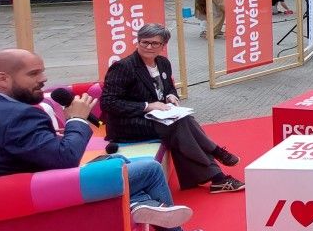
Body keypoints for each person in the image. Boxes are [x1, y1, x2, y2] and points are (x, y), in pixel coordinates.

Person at [0, 49, 205, 231]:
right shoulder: (21, 116)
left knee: (114, 164)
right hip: (36, 199)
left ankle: (137, 203)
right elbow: (65, 158)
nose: (43, 79)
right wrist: (78, 120)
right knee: (149, 169)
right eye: (33, 74)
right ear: (2, 79)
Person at [101, 24, 244, 192]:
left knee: (184, 120)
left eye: (154, 43)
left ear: (163, 46)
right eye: (144, 42)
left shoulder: (162, 63)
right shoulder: (124, 67)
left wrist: (171, 96)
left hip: (155, 118)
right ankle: (216, 159)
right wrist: (147, 106)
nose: (148, 46)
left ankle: (217, 176)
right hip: (128, 125)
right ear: (138, 42)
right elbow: (108, 102)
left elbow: (169, 87)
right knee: (179, 124)